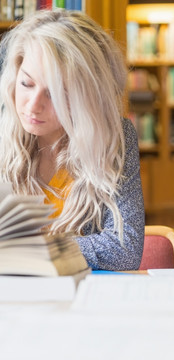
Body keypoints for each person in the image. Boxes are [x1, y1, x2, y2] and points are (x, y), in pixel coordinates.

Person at [0, 10, 145, 270]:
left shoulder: (114, 137)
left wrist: (28, 249)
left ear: (87, 98)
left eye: (55, 94)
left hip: (84, 299)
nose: (33, 107)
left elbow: (125, 248)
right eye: (26, 83)